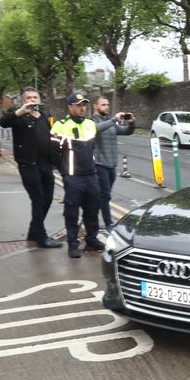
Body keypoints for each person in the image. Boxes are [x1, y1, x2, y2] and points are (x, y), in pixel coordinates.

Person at [51, 93, 129, 258]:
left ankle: (91, 240)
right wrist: (65, 171)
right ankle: (73, 243)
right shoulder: (60, 125)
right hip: (72, 176)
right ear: (70, 107)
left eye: (84, 105)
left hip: (90, 174)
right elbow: (52, 152)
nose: (82, 108)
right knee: (72, 211)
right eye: (78, 105)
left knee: (92, 209)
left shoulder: (89, 124)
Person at [0, 88, 61, 248]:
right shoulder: (18, 117)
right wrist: (20, 111)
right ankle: (41, 237)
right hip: (28, 165)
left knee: (47, 200)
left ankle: (34, 231)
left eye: (35, 97)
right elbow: (2, 122)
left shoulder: (47, 118)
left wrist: (57, 161)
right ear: (23, 100)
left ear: (39, 100)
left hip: (45, 165)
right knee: (38, 200)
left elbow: (54, 138)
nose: (32, 100)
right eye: (28, 98)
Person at [92, 96, 135, 231]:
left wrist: (132, 123)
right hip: (99, 164)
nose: (106, 107)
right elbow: (97, 129)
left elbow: (126, 131)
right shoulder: (91, 121)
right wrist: (114, 119)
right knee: (105, 195)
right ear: (95, 106)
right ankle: (108, 223)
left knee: (103, 196)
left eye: (107, 105)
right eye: (103, 105)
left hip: (112, 165)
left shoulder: (110, 122)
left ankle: (90, 218)